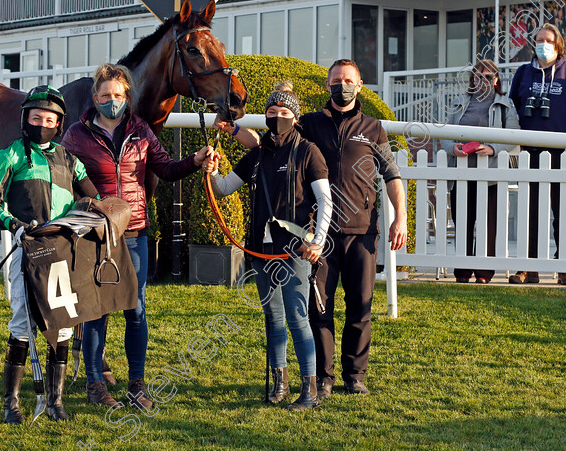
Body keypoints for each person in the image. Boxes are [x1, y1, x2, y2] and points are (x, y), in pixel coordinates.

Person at [217, 59, 407, 398]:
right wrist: (231, 131)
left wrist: (401, 218)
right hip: (314, 236)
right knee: (319, 308)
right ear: (327, 85)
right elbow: (264, 143)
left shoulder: (374, 127)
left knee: (361, 304)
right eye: (336, 80)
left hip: (361, 230)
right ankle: (323, 377)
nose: (342, 85)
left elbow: (391, 174)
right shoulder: (309, 124)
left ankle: (355, 375)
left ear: (360, 86)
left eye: (348, 80)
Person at [61, 64, 214, 409]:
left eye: (117, 95)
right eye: (105, 95)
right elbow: (63, 178)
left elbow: (166, 169)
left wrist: (195, 159)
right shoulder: (76, 134)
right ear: (95, 97)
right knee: (96, 311)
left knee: (137, 310)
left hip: (134, 234)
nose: (111, 101)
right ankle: (95, 385)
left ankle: (136, 385)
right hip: (95, 235)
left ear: (127, 96)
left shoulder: (141, 130)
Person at [207, 81, 332, 410]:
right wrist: (211, 168)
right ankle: (280, 384)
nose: (278, 117)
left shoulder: (308, 151)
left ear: (296, 118)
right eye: (272, 112)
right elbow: (222, 189)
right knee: (273, 319)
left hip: (294, 252)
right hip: (260, 252)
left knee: (297, 318)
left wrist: (317, 242)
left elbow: (325, 200)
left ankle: (310, 390)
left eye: (285, 112)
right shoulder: (257, 155)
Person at [0, 85, 100, 424]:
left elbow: (93, 198)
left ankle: (56, 402)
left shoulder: (68, 159)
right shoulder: (11, 155)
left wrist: (98, 217)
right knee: (23, 324)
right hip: (27, 251)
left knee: (61, 326)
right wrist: (15, 225)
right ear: (26, 119)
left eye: (50, 119)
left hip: (62, 254)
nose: (43, 124)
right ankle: (12, 404)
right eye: (36, 117)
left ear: (59, 123)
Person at [508, 23, 566, 286]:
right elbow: (514, 110)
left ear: (559, 45)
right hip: (529, 152)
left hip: (561, 153)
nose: (543, 45)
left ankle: (564, 267)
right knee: (530, 211)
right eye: (539, 40)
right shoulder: (523, 73)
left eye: (548, 41)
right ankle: (527, 268)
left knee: (563, 210)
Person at [439, 59, 520, 283]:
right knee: (462, 223)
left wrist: (493, 148)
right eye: (478, 76)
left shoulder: (505, 104)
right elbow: (444, 132)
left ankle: (484, 273)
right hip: (461, 176)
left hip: (491, 177)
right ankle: (462, 272)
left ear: (496, 80)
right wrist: (452, 148)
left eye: (488, 77)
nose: (483, 81)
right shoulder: (459, 102)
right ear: (472, 79)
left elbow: (514, 136)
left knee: (487, 226)